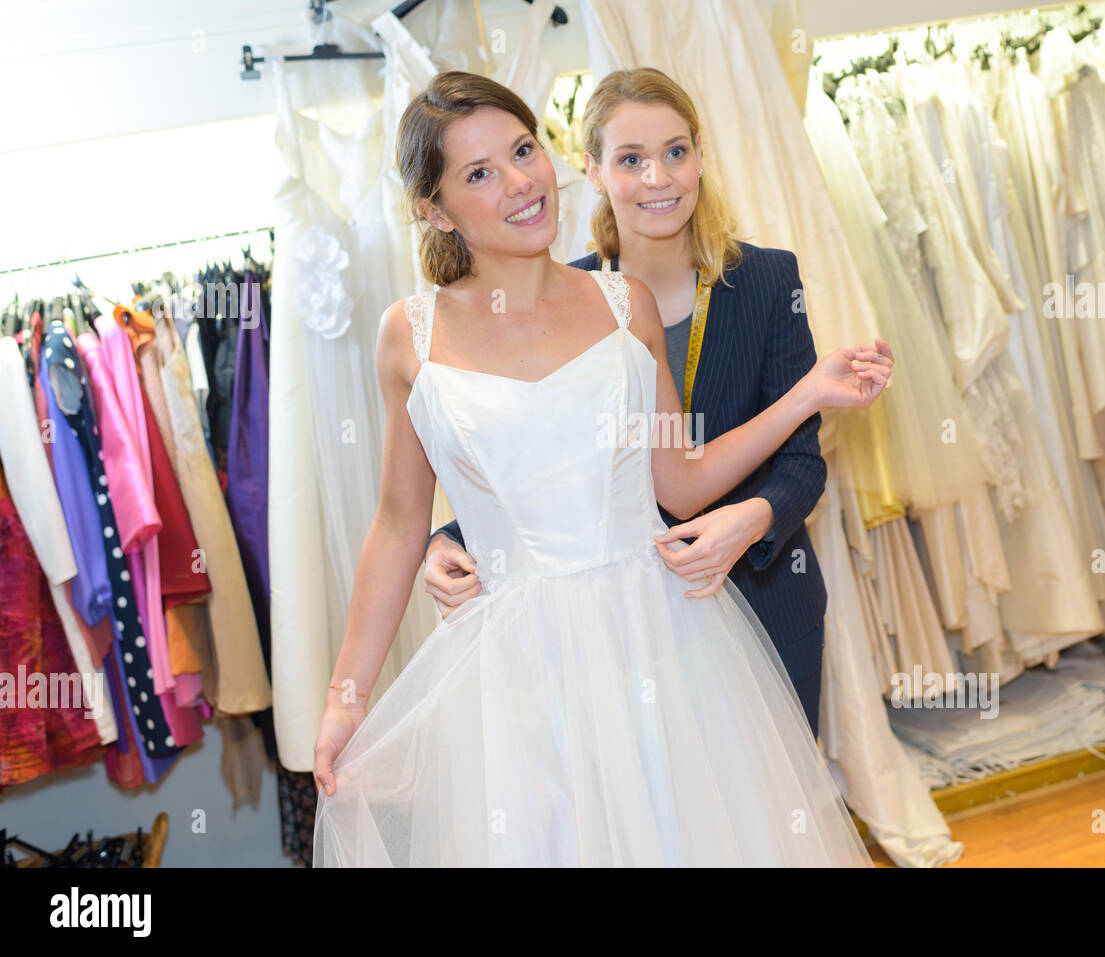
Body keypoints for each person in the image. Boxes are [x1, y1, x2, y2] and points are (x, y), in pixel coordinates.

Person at [312, 71, 892, 866]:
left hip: (664, 641)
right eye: (479, 173)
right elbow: (398, 523)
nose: (519, 182)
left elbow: (679, 483)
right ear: (435, 209)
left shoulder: (624, 305)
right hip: (520, 674)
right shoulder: (407, 337)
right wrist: (346, 696)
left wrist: (806, 396)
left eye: (522, 151)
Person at [423, 67, 874, 737]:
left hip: (766, 595)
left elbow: (803, 462)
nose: (659, 178)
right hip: (623, 639)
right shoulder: (559, 299)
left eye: (675, 152)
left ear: (698, 156)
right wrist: (444, 542)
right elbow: (533, 471)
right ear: (595, 171)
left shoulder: (769, 280)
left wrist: (748, 520)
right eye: (631, 159)